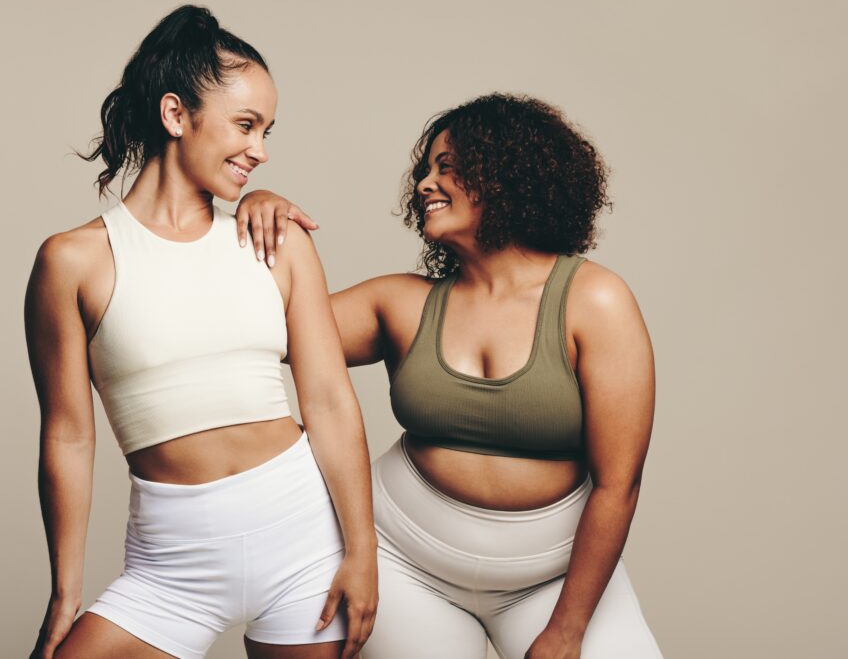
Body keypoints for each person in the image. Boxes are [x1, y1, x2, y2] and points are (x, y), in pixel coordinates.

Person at [236, 93, 663, 658]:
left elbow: (619, 483)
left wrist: (567, 629)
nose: (424, 185)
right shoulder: (401, 302)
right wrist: (260, 216)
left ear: (508, 174)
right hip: (402, 562)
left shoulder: (595, 301)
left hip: (555, 576)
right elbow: (257, 326)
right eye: (425, 169)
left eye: (448, 167)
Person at [23, 5, 377, 659]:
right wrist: (64, 590)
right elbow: (68, 434)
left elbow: (329, 401)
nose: (261, 150)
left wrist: (363, 550)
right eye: (246, 124)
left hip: (302, 544)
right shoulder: (70, 262)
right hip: (170, 566)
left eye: (267, 130)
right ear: (176, 115)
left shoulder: (277, 241)